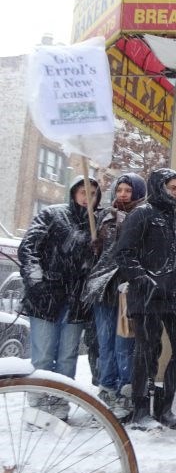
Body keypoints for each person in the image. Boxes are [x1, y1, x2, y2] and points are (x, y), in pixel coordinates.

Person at [115, 168, 176, 430]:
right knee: (146, 352)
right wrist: (143, 280)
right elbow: (124, 253)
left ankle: (165, 406)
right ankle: (141, 410)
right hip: (148, 295)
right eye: (171, 187)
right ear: (158, 187)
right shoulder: (142, 214)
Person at [18, 175, 102, 420]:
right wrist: (36, 282)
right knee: (43, 355)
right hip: (46, 298)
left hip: (76, 302)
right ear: (74, 193)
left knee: (67, 357)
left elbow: (96, 265)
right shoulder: (52, 215)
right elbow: (29, 248)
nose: (88, 198)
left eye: (94, 193)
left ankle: (60, 402)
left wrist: (97, 250)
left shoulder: (96, 224)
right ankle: (37, 406)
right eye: (83, 192)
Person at [84, 172, 147, 419]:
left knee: (125, 343)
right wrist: (93, 246)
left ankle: (125, 390)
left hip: (126, 288)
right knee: (105, 342)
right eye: (119, 190)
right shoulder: (103, 217)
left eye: (128, 191)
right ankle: (106, 387)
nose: (122, 194)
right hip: (103, 288)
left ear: (138, 193)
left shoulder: (142, 216)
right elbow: (94, 254)